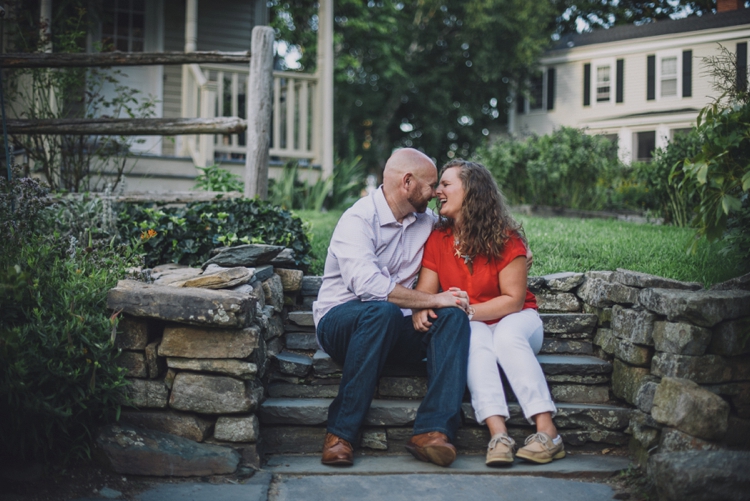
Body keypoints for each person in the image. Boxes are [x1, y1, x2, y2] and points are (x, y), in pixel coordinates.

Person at [312, 148, 472, 468]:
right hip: (341, 323)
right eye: (430, 185)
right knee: (381, 311)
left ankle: (432, 432)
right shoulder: (358, 220)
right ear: (408, 182)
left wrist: (515, 247)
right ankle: (340, 434)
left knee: (453, 316)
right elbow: (370, 287)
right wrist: (430, 300)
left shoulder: (425, 221)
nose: (436, 192)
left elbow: (471, 226)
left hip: (393, 328)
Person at [412, 159, 564, 466]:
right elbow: (427, 291)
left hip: (516, 320)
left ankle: (548, 431)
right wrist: (423, 305)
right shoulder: (438, 239)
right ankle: (499, 435)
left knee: (505, 337)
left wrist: (463, 309)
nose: (437, 191)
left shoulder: (506, 238)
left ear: (471, 192)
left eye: (446, 184)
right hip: (475, 322)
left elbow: (513, 301)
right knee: (474, 340)